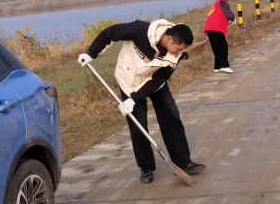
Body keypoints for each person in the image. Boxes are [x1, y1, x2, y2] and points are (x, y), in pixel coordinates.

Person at [78, 20, 205, 184]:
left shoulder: (175, 56)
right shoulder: (140, 30)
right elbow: (110, 33)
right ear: (168, 39)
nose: (179, 53)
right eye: (178, 48)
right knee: (138, 124)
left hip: (154, 84)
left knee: (172, 117)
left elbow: (157, 80)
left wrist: (134, 100)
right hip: (129, 81)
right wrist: (91, 53)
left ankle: (183, 163)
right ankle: (146, 167)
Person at [203, 0, 236, 73]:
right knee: (223, 46)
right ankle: (224, 65)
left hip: (209, 28)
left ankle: (217, 67)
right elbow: (228, 14)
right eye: (229, 1)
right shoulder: (223, 2)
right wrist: (233, 18)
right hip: (216, 27)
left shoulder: (215, 3)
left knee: (216, 48)